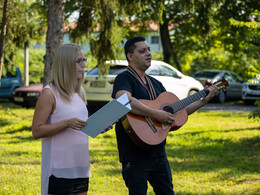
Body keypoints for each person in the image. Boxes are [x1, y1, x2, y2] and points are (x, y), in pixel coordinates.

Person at [111, 36, 219, 195]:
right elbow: (123, 100)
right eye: (142, 51)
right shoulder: (124, 78)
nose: (148, 53)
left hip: (158, 152)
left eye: (149, 50)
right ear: (130, 56)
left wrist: (204, 100)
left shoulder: (156, 83)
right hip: (134, 155)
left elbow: (177, 112)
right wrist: (156, 114)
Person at [32, 43, 100, 195]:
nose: (84, 65)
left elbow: (80, 128)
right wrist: (66, 123)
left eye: (84, 60)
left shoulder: (80, 92)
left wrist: (98, 126)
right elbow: (36, 131)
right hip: (59, 170)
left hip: (81, 166)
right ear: (65, 63)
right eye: (79, 61)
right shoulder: (49, 93)